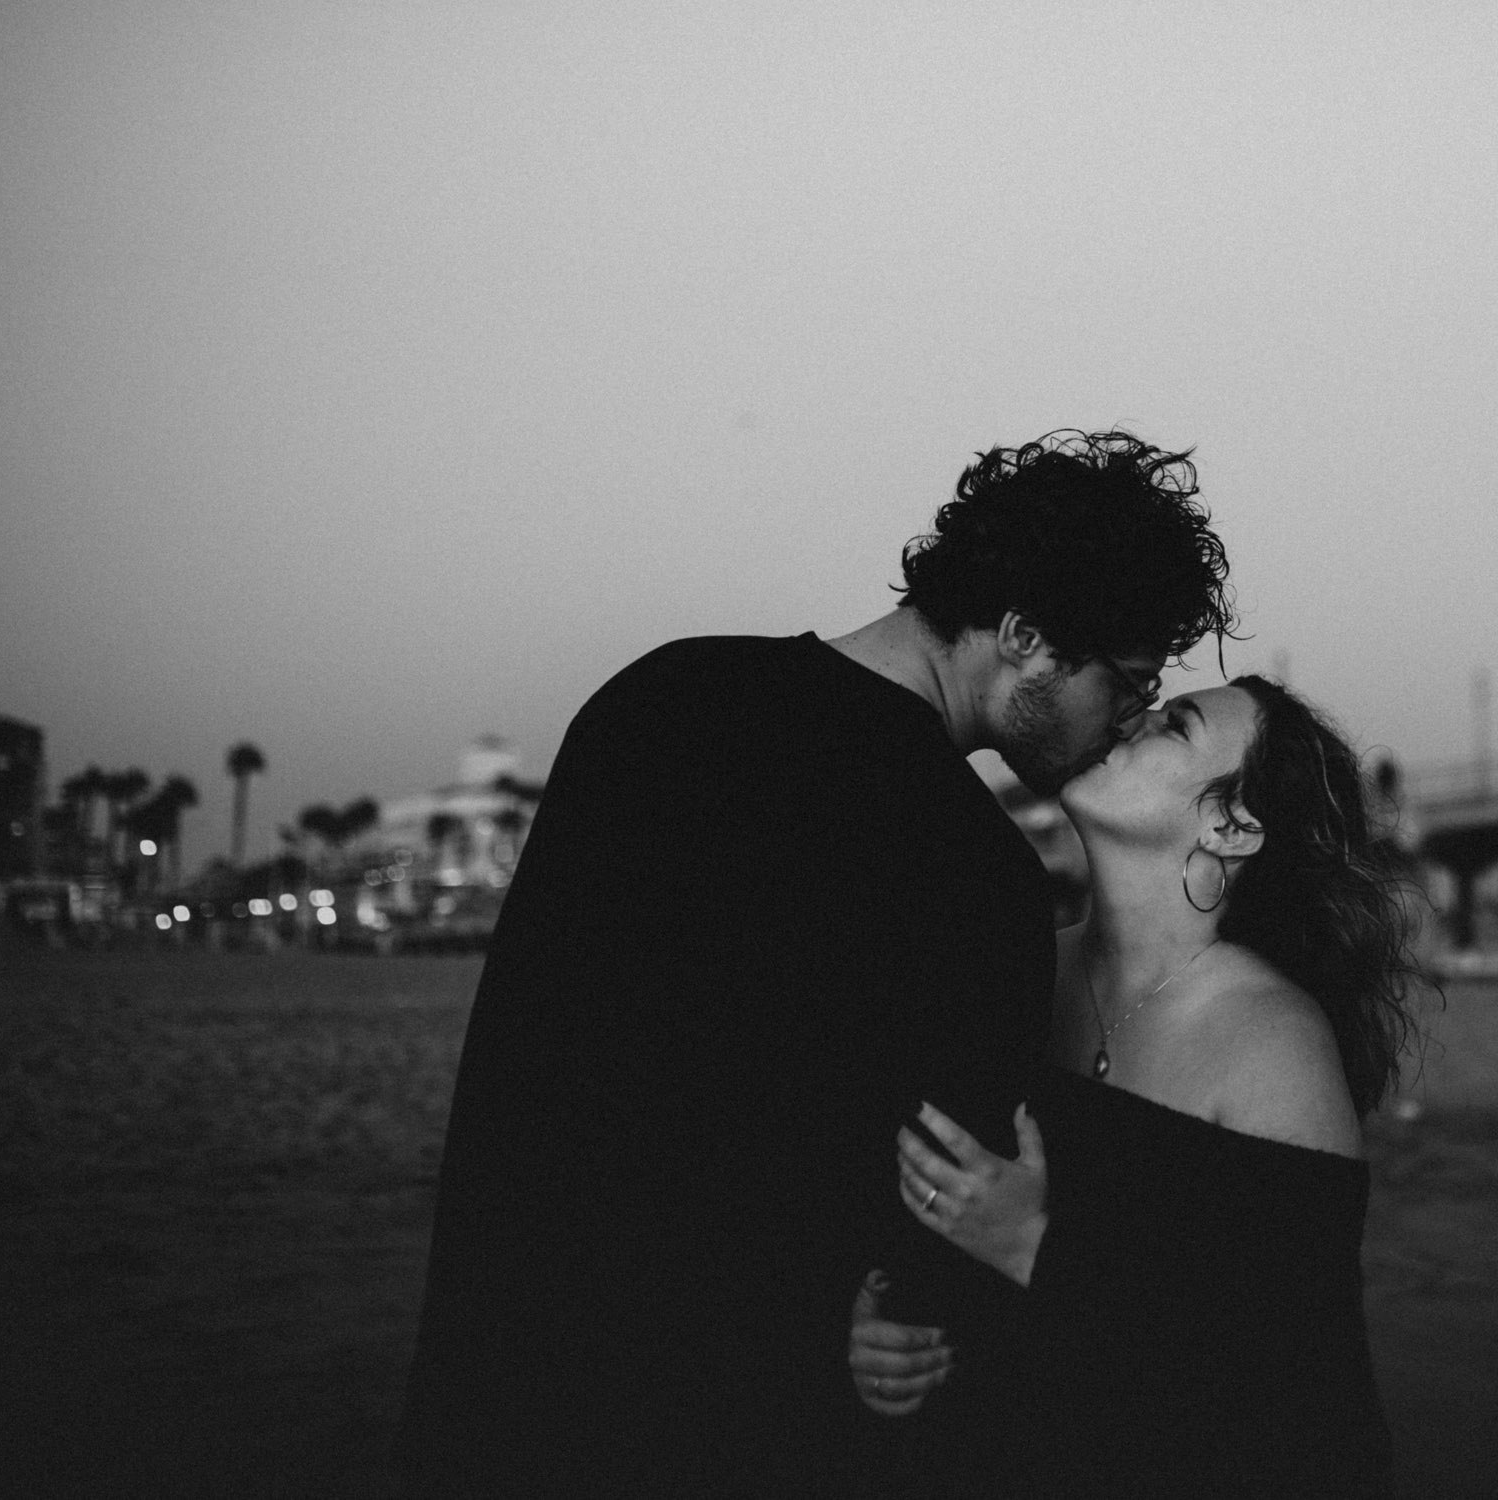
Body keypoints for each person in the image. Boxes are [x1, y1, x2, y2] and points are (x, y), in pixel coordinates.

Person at [394, 430, 1235, 1496]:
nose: (1127, 720)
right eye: (1125, 680)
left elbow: (534, 1062)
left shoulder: (653, 699)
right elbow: (935, 1213)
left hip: (504, 1385)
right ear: (1023, 633)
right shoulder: (977, 876)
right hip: (735, 1429)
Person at [849, 675, 1420, 1497]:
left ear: (1233, 825)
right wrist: (871, 1330)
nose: (1132, 718)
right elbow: (907, 1215)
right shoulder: (1014, 967)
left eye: (1173, 724)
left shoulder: (1272, 1041)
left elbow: (1300, 1394)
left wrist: (1031, 1244)